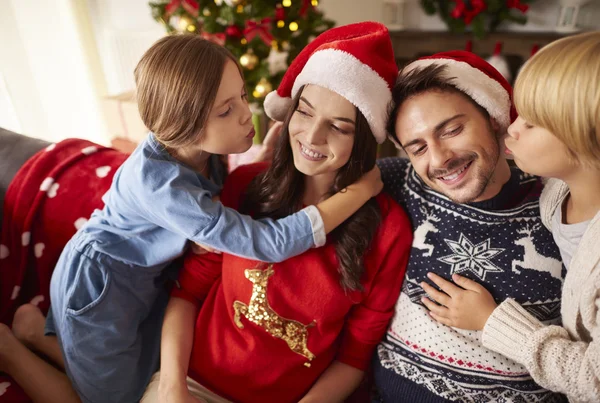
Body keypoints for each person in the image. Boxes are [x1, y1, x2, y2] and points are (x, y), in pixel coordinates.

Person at [0, 34, 383, 403]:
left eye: (243, 97)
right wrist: (358, 192)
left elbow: (221, 190)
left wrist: (262, 161)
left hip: (145, 278)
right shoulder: (162, 186)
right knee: (112, 399)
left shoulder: (198, 149)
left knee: (136, 372)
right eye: (226, 111)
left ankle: (35, 333)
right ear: (184, 126)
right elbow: (268, 243)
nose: (245, 115)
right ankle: (12, 351)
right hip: (104, 287)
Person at [141, 21, 413, 403]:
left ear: (364, 139)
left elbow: (355, 357)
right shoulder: (245, 185)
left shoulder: (388, 230)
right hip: (192, 385)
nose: (313, 137)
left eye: (338, 126)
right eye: (305, 113)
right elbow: (186, 293)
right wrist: (172, 388)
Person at [372, 51, 567, 402]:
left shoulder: (559, 203)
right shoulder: (399, 182)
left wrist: (493, 320)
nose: (439, 158)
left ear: (493, 118)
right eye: (417, 148)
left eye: (452, 130)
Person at [419, 32, 600, 402]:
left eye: (531, 122)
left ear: (585, 137)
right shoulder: (557, 191)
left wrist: (493, 323)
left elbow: (593, 380)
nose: (511, 127)